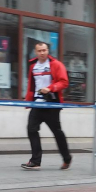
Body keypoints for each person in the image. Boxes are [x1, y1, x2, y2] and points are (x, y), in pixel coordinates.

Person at [21, 42, 73, 171]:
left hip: (51, 105)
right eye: (39, 51)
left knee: (57, 132)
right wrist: (28, 101)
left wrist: (50, 88)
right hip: (37, 104)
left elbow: (64, 82)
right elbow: (31, 86)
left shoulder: (56, 64)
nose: (42, 53)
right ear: (35, 52)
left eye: (44, 50)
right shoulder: (33, 66)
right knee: (31, 129)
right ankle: (35, 161)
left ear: (48, 50)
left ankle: (67, 158)